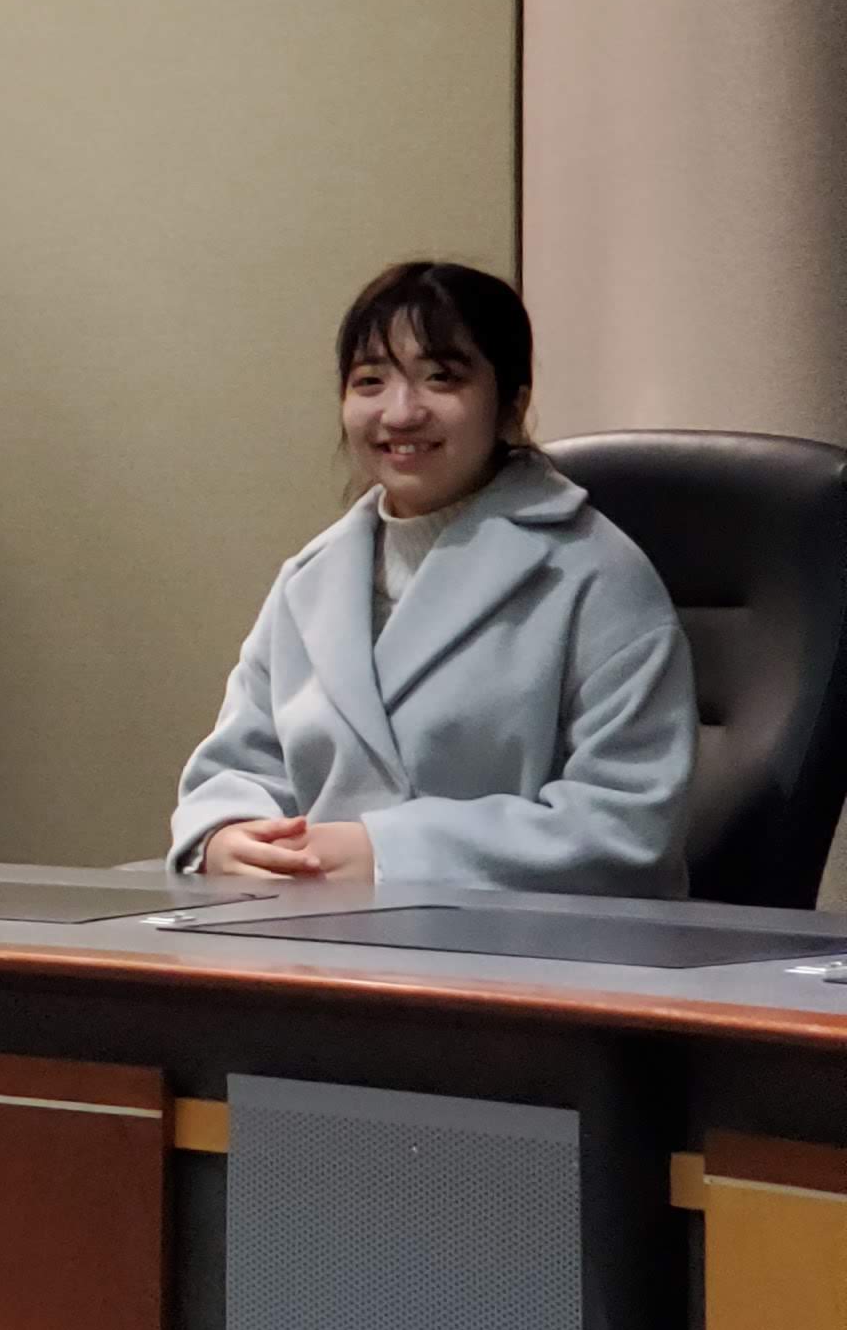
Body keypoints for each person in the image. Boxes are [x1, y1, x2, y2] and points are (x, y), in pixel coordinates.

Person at [173, 259, 692, 893]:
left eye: (441, 378)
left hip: (530, 953)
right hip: (317, 940)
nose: (400, 412)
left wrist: (392, 852)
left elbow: (628, 821)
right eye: (370, 381)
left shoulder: (594, 571)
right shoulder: (311, 579)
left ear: (511, 406)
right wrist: (227, 833)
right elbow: (240, 765)